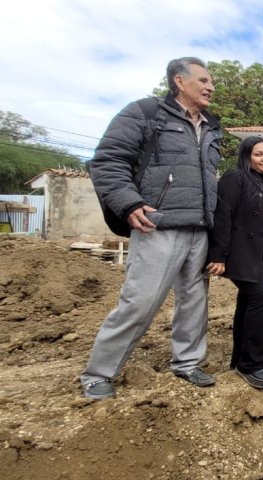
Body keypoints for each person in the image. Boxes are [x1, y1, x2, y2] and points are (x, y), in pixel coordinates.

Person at [81, 57, 222, 399]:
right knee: (140, 301)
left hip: (200, 228)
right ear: (179, 80)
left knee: (194, 302)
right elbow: (108, 160)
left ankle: (187, 363)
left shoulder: (210, 126)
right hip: (157, 225)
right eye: (203, 80)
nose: (210, 87)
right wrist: (128, 203)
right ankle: (99, 373)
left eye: (211, 82)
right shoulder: (146, 113)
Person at [206, 137, 263, 389]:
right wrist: (218, 255)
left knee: (247, 301)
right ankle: (252, 363)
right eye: (258, 154)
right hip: (245, 252)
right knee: (262, 297)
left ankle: (239, 358)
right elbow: (223, 217)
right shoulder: (235, 179)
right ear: (246, 156)